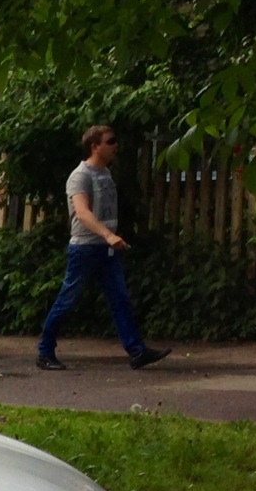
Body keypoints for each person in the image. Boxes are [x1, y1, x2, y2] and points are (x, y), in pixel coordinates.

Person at [35, 125, 169, 371]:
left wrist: (110, 239)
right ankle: (44, 352)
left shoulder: (105, 173)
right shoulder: (80, 176)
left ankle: (137, 352)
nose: (116, 145)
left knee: (120, 299)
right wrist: (108, 235)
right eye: (110, 141)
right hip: (85, 249)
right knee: (67, 300)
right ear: (94, 146)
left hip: (105, 249)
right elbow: (82, 212)